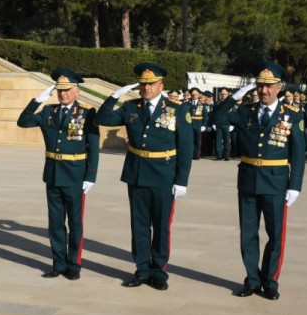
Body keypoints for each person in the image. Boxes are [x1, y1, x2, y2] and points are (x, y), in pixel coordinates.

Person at [95, 63, 193, 291]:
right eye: (143, 84)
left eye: (151, 84)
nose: (146, 87)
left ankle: (159, 271)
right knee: (139, 225)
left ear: (161, 85)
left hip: (164, 174)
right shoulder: (130, 107)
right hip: (137, 173)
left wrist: (182, 180)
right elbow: (103, 119)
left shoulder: (177, 109)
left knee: (160, 226)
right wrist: (114, 96)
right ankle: (141, 269)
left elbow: (186, 147)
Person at [212, 61, 305, 300]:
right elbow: (217, 116)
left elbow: (297, 154)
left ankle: (270, 281)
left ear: (279, 87)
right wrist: (237, 95)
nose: (263, 90)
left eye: (268, 86)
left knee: (275, 235)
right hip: (248, 180)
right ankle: (252, 280)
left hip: (276, 182)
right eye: (260, 85)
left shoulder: (293, 115)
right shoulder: (246, 111)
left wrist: (295, 185)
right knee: (248, 234)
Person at [16, 67, 100, 280]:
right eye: (59, 90)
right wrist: (37, 101)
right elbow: (23, 122)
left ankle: (73, 265)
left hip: (75, 176)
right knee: (55, 223)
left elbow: (93, 147)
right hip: (53, 174)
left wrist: (90, 176)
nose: (63, 94)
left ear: (77, 91)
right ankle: (58, 263)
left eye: (67, 89)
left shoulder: (87, 114)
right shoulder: (47, 112)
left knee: (74, 223)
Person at [210, 87, 233, 160]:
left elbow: (233, 114)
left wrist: (233, 124)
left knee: (226, 140)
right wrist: (213, 123)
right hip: (218, 124)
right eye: (222, 94)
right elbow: (214, 113)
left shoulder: (230, 103)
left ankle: (226, 155)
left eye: (224, 94)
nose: (223, 95)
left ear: (228, 94)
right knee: (218, 140)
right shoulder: (217, 103)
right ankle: (219, 155)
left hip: (227, 124)